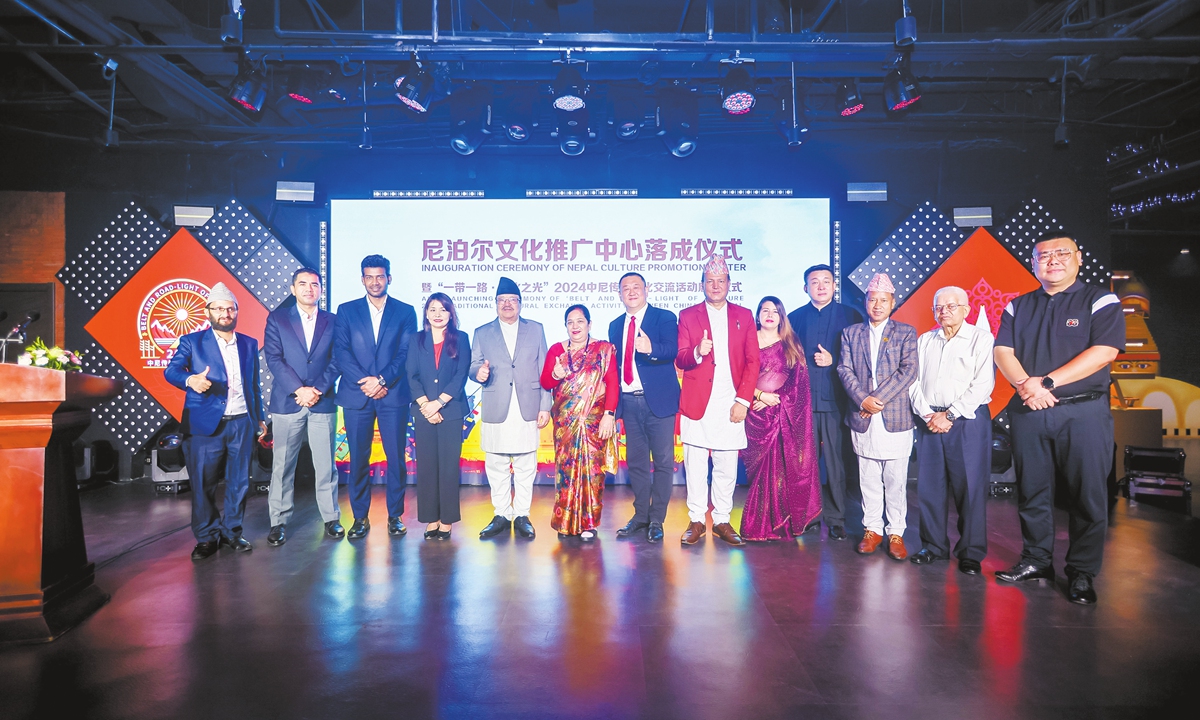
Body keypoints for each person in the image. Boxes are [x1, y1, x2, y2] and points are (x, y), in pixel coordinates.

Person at [994, 233, 1124, 605]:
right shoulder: (1019, 306)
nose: (1052, 260)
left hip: (1083, 412)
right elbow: (1003, 350)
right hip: (1030, 411)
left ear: (1079, 258)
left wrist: (1047, 382)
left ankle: (1081, 572)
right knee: (1032, 491)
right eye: (1043, 255)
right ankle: (1036, 560)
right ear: (1033, 263)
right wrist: (1026, 386)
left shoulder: (1099, 299)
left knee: (1087, 495)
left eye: (1061, 253)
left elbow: (1104, 351)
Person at [164, 282, 267, 560]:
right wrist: (190, 380)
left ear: (236, 311)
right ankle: (207, 536)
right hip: (204, 425)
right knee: (202, 483)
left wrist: (260, 418)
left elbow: (253, 385)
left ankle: (232, 532)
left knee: (239, 483)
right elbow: (171, 371)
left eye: (230, 308)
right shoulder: (192, 341)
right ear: (208, 311)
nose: (225, 313)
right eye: (219, 308)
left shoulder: (248, 343)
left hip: (242, 423)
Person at [908, 286, 995, 575]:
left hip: (968, 421)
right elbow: (913, 382)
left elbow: (983, 384)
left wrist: (951, 414)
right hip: (930, 419)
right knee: (930, 488)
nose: (943, 311)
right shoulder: (924, 341)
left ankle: (970, 551)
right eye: (938, 307)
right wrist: (928, 413)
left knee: (970, 488)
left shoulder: (981, 339)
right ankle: (933, 546)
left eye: (951, 306)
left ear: (966, 309)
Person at [676, 256, 761, 547]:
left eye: (720, 281)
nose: (715, 286)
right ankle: (697, 519)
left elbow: (753, 361)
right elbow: (681, 357)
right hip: (697, 400)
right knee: (696, 463)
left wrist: (743, 400)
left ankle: (722, 520)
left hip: (730, 400)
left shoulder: (744, 315)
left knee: (726, 464)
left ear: (729, 284)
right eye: (709, 282)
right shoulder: (687, 316)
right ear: (702, 284)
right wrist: (698, 351)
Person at [333, 254, 417, 540]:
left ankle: (395, 516)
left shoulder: (405, 312)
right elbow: (341, 352)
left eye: (380, 276)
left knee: (396, 459)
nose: (375, 281)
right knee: (358, 458)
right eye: (369, 277)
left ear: (389, 278)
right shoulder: (346, 310)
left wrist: (381, 381)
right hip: (357, 395)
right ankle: (359, 517)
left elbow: (405, 354)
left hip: (392, 394)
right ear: (362, 280)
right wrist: (366, 382)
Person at [837, 273, 918, 561]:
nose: (877, 305)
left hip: (894, 416)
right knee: (868, 477)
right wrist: (863, 399)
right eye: (872, 300)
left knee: (895, 479)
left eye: (883, 301)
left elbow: (909, 371)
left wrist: (877, 400)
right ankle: (872, 529)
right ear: (865, 302)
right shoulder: (851, 333)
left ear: (892, 303)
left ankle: (896, 531)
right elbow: (844, 370)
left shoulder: (905, 332)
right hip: (862, 416)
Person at [262, 268, 343, 546]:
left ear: (321, 289)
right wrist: (299, 390)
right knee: (282, 466)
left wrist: (317, 389)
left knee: (326, 465)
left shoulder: (333, 321)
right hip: (288, 401)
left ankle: (331, 518)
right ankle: (279, 522)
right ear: (293, 288)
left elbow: (338, 359)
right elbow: (273, 358)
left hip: (323, 401)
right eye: (303, 284)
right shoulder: (278, 318)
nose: (309, 289)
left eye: (315, 284)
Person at [471, 277, 552, 540]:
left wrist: (545, 405)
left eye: (512, 300)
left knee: (526, 464)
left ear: (520, 303)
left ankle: (522, 515)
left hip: (527, 404)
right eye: (502, 301)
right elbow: (473, 367)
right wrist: (479, 373)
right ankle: (501, 514)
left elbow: (544, 369)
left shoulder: (535, 329)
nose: (507, 305)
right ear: (495, 304)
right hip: (497, 403)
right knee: (496, 463)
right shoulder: (482, 332)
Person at [788, 264, 864, 541]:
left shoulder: (851, 315)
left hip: (836, 401)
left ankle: (835, 518)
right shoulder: (794, 318)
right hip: (803, 403)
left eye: (826, 281)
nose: (821, 286)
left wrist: (835, 361)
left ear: (834, 286)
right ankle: (808, 516)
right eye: (814, 282)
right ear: (805, 287)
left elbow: (862, 358)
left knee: (835, 463)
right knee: (804, 464)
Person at [740, 297, 823, 541]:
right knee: (760, 471)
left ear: (781, 316)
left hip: (782, 413)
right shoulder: (747, 341)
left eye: (775, 311)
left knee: (781, 470)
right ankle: (758, 524)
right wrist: (759, 395)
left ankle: (780, 524)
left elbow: (799, 382)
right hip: (756, 413)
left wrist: (777, 399)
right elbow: (737, 374)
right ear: (757, 315)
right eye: (764, 310)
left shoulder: (790, 342)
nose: (769, 314)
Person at [607, 272, 680, 543]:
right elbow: (614, 370)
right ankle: (640, 516)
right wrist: (612, 409)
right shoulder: (615, 325)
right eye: (626, 288)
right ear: (619, 294)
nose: (632, 291)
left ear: (647, 290)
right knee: (636, 463)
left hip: (658, 402)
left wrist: (651, 348)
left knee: (662, 463)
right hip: (629, 402)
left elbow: (673, 350)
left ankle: (657, 519)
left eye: (636, 287)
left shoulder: (664, 317)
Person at [541, 304, 619, 542]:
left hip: (595, 423)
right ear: (565, 326)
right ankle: (565, 522)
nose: (575, 327)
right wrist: (556, 374)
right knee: (566, 472)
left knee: (592, 473)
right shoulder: (557, 350)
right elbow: (545, 382)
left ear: (589, 324)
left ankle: (589, 523)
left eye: (580, 322)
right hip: (565, 423)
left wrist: (609, 414)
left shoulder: (603, 350)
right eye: (570, 322)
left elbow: (613, 384)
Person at [407, 293, 471, 540]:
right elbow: (410, 375)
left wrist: (439, 403)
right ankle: (430, 519)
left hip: (451, 411)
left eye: (443, 310)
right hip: (423, 412)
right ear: (426, 313)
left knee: (447, 467)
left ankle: (447, 521)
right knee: (427, 467)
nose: (437, 314)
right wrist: (426, 405)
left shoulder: (461, 339)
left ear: (450, 314)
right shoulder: (416, 339)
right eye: (432, 309)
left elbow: (461, 375)